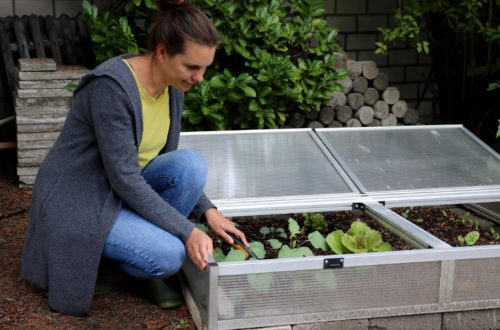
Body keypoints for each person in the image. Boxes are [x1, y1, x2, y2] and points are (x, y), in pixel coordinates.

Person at [21, 0, 248, 316]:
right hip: (81, 196)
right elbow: (125, 179)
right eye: (192, 67)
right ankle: (117, 258)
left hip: (119, 190)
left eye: (205, 67)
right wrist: (186, 231)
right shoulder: (112, 89)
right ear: (161, 52)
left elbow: (164, 161)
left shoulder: (173, 87)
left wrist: (208, 211)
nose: (199, 77)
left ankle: (136, 262)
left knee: (189, 165)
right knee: (171, 254)